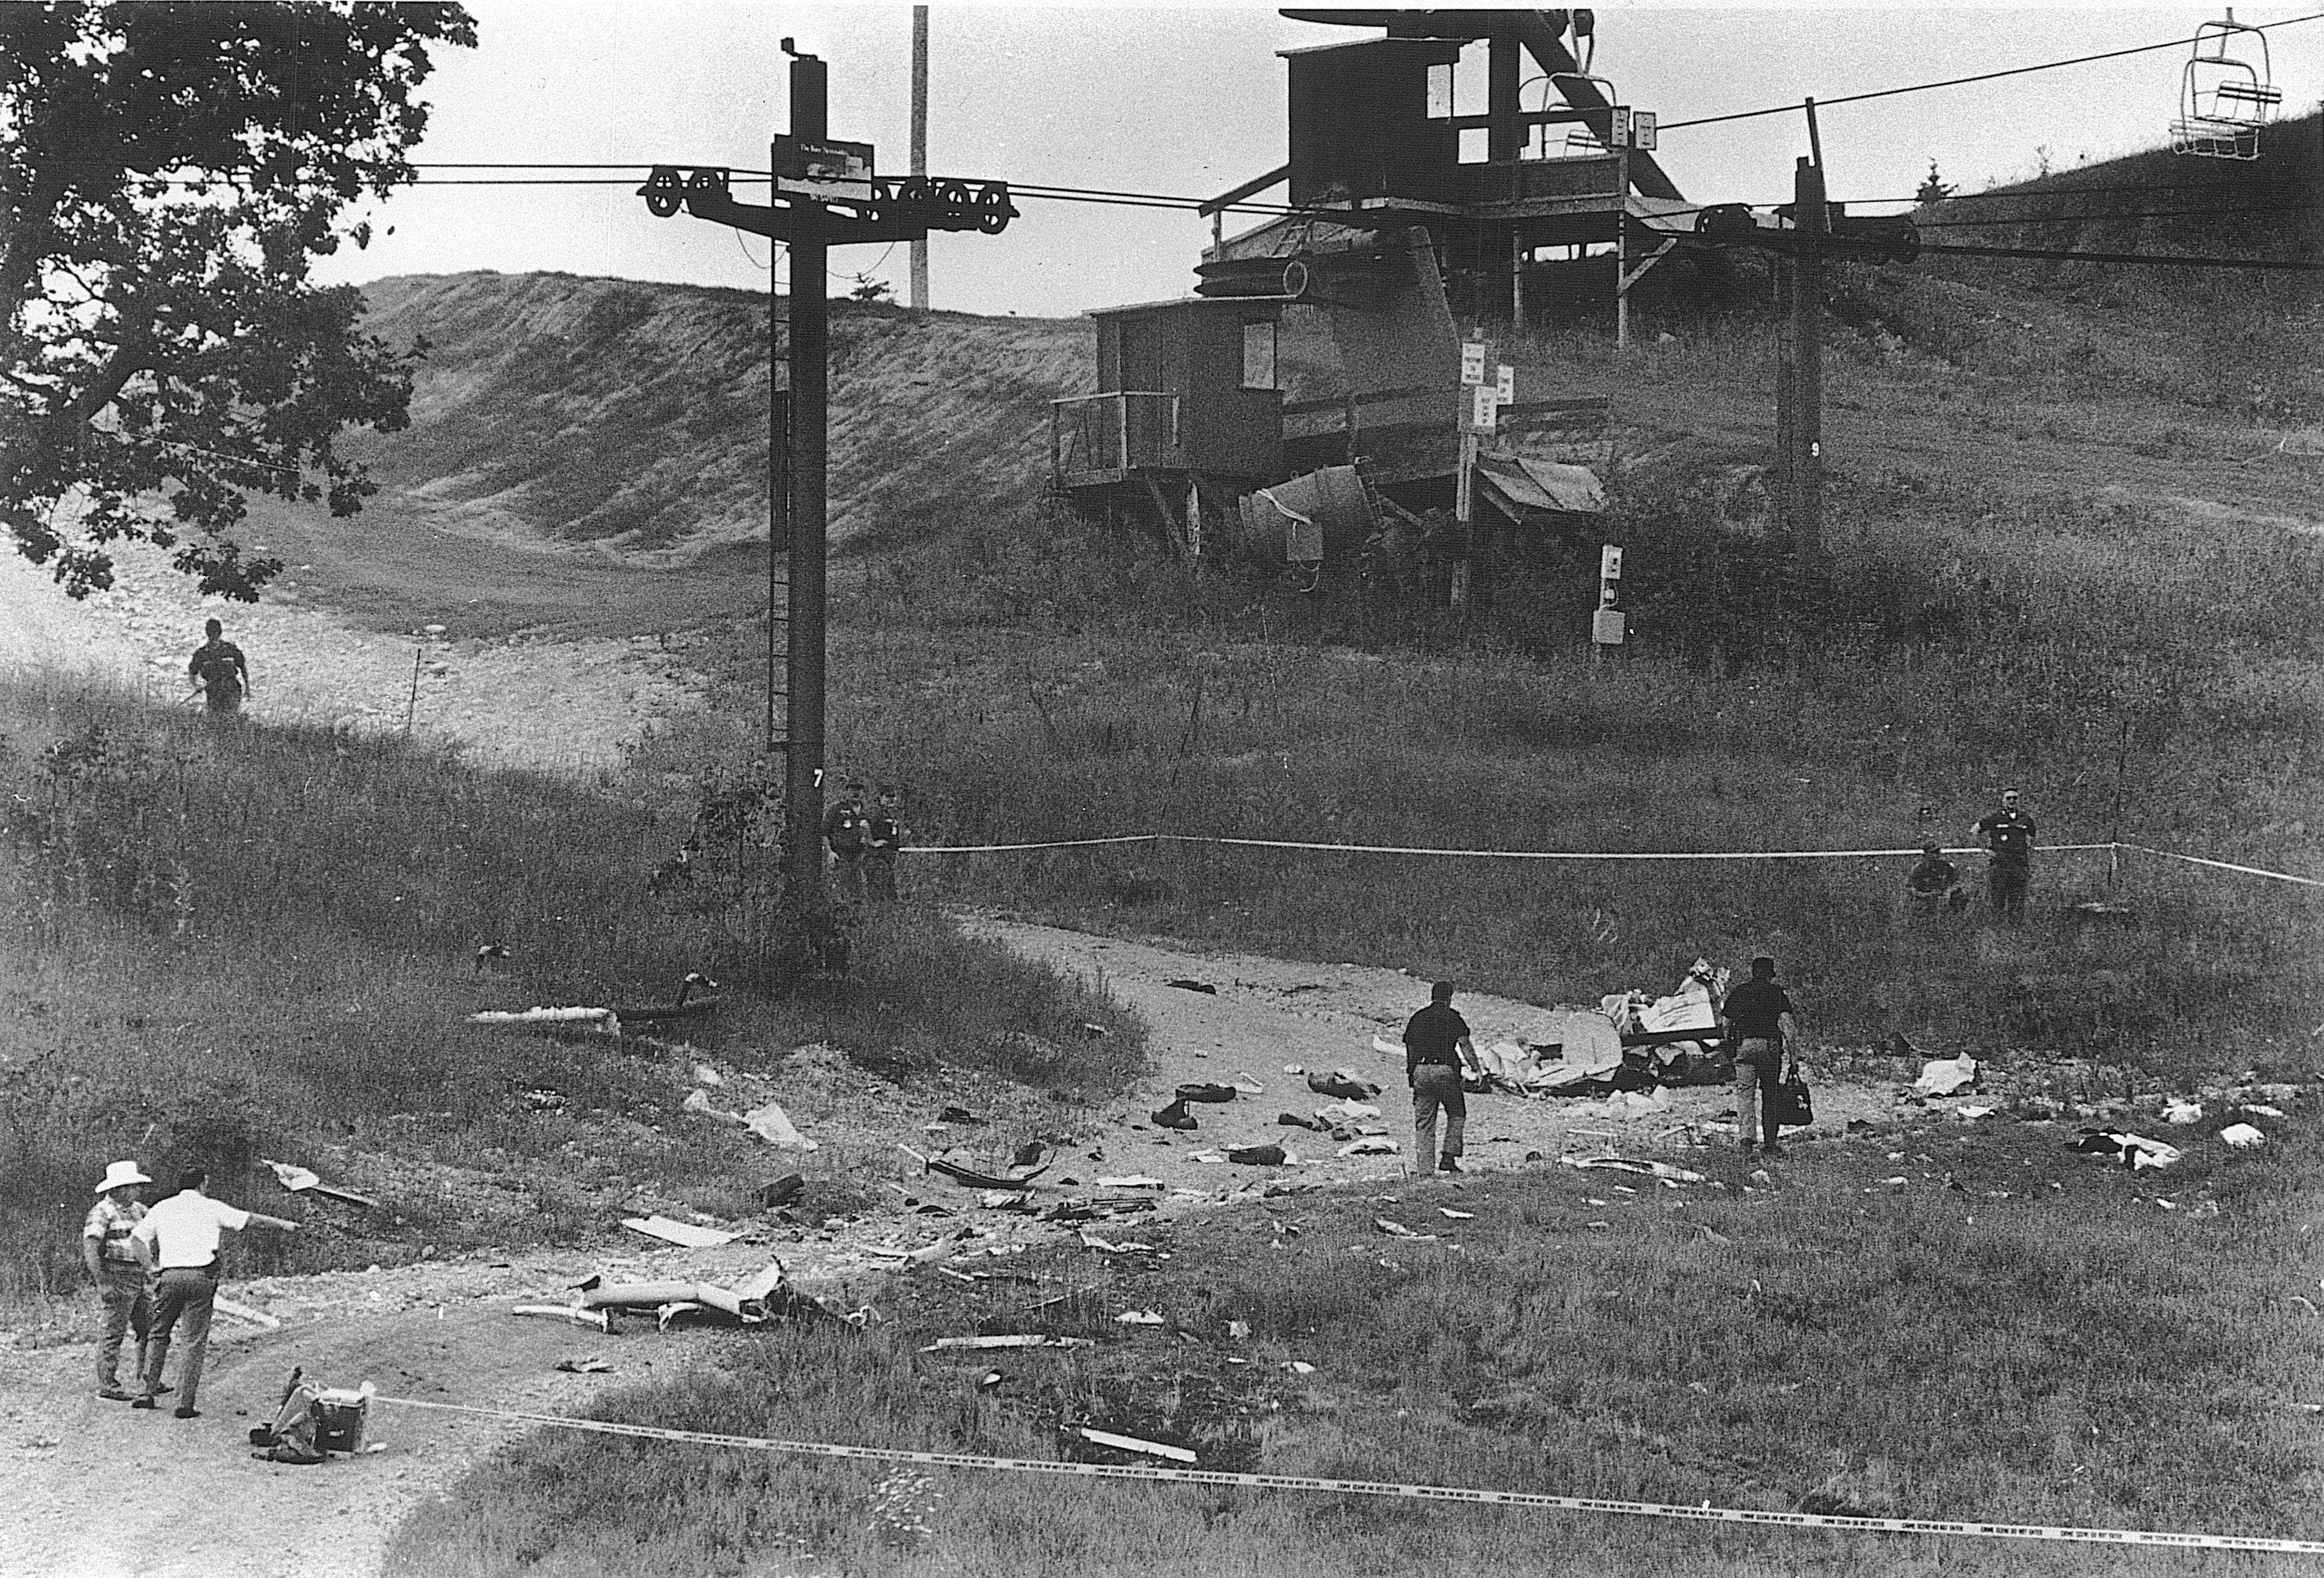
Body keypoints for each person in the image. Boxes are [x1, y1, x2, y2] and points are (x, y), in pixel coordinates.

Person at [130, 1168, 296, 1419]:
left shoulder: (162, 1207)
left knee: (158, 1333)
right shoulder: (211, 1207)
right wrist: (282, 1224)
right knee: (193, 1340)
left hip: (170, 1275)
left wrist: (150, 1267)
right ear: (202, 1184)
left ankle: (147, 1391)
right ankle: (184, 1403)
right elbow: (249, 1219)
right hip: (200, 1277)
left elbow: (137, 1239)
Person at [83, 1160, 156, 1402]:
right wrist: (103, 1282)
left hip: (140, 1275)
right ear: (120, 1188)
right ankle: (108, 1384)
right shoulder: (102, 1212)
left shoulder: (140, 1210)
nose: (137, 1190)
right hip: (117, 1274)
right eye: (133, 1186)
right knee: (113, 1331)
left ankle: (148, 1377)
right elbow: (91, 1247)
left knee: (148, 1328)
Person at [1718, 955, 1799, 1157]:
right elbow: (1788, 1027)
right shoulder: (1776, 993)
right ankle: (1770, 1144)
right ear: (1770, 974)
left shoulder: (1740, 992)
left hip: (1744, 1046)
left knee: (1745, 1095)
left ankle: (1747, 1141)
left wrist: (1730, 1044)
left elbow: (1726, 1023)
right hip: (1769, 1047)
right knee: (1770, 1095)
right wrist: (1794, 1058)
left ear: (1753, 973)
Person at [1402, 981, 1483, 1175]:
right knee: (1457, 1113)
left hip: (1421, 1070)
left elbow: (1410, 1048)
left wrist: (1412, 1071)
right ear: (1450, 997)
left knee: (1424, 1123)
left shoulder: (1418, 1017)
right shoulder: (1453, 1017)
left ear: (1432, 996)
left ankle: (1425, 1171)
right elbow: (1465, 1045)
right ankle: (1449, 1156)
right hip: (1445, 1072)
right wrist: (1477, 1069)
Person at [1972, 787, 2038, 924]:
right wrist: (1986, 850)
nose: (2012, 801)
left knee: (2018, 901)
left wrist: (2028, 851)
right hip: (2000, 866)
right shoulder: (1995, 818)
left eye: (2015, 798)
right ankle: (1998, 932)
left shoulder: (2025, 819)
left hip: (2019, 866)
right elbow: (1974, 831)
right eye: (2009, 798)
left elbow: (2032, 836)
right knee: (1998, 900)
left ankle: (2015, 932)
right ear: (2003, 801)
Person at [187, 618, 250, 716]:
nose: (214, 635)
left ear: (220, 632)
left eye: (216, 632)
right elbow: (192, 673)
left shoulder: (231, 649)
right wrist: (196, 686)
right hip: (213, 691)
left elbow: (243, 668)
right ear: (207, 633)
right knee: (215, 718)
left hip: (231, 689)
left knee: (230, 717)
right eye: (211, 633)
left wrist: (247, 688)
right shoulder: (201, 654)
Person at [823, 780, 870, 904]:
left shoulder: (868, 812)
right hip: (842, 855)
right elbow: (824, 832)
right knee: (843, 889)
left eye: (858, 790)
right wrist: (830, 852)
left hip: (861, 856)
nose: (855, 793)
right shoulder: (837, 809)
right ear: (846, 791)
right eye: (852, 789)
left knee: (860, 891)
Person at [864, 786, 905, 902]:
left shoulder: (890, 814)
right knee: (878, 892)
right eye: (887, 797)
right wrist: (872, 842)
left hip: (888, 857)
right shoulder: (875, 811)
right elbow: (863, 824)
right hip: (877, 857)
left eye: (893, 797)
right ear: (880, 797)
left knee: (889, 891)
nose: (891, 799)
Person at [1904, 841, 1965, 919]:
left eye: (1937, 852)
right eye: (1933, 853)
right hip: (1926, 898)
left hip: (1945, 895)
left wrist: (1949, 891)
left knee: (1960, 896)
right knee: (1919, 906)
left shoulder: (1946, 866)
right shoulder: (1919, 869)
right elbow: (1910, 888)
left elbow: (1958, 881)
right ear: (1926, 855)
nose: (1936, 855)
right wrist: (1925, 895)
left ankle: (1957, 918)